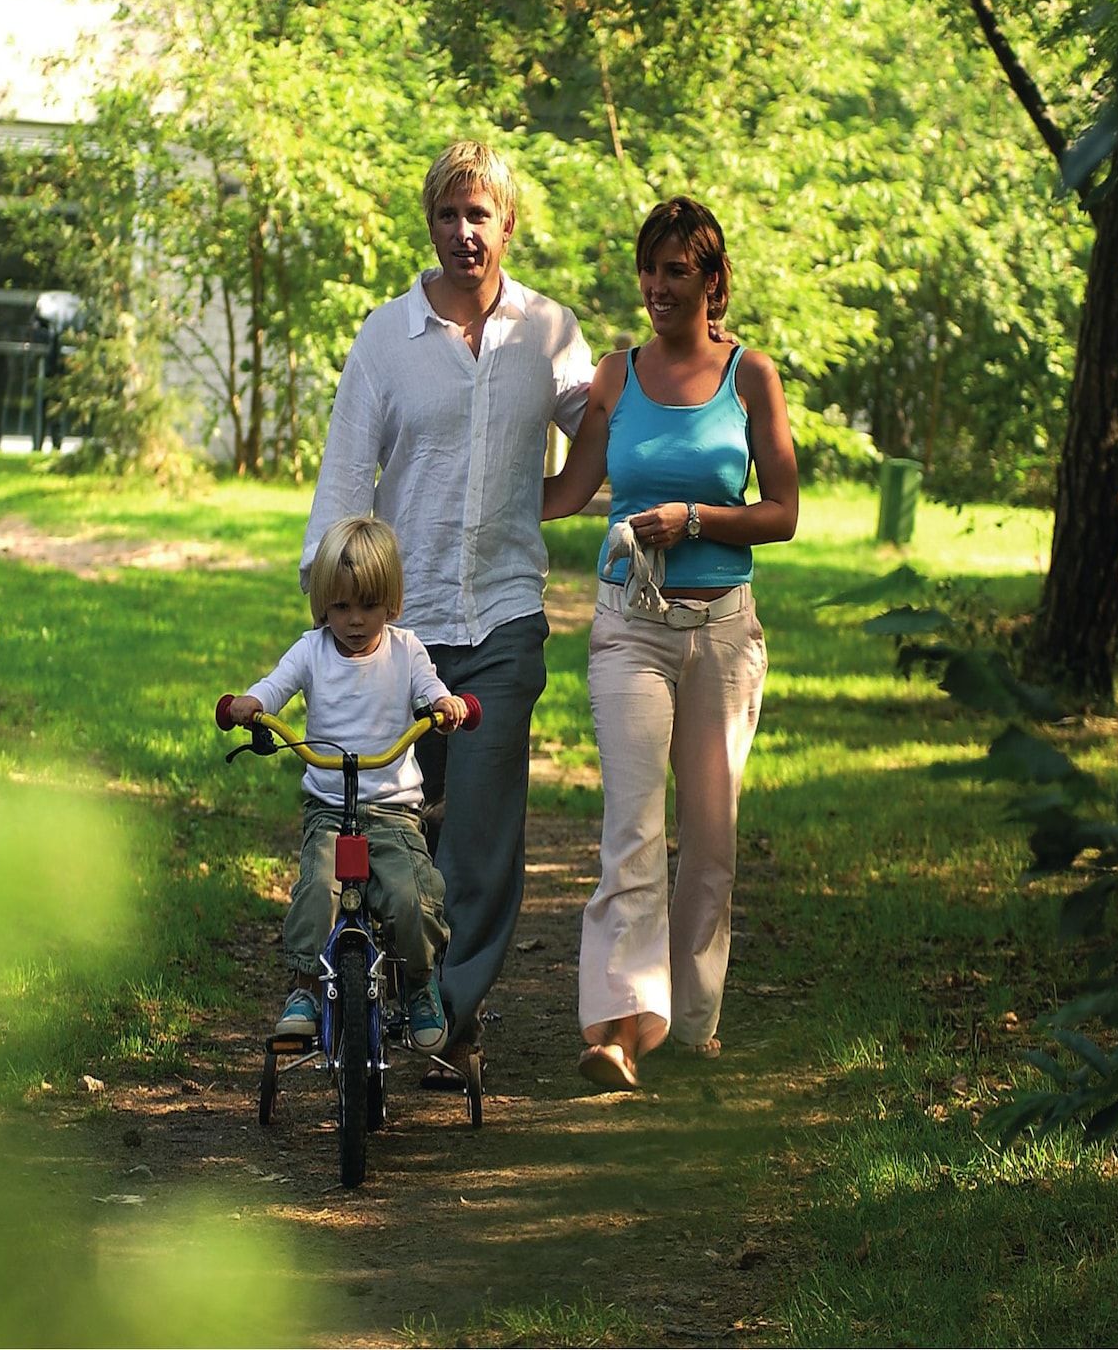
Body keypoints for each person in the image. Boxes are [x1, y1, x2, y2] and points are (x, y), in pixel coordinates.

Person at [302, 140, 594, 1055]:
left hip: (505, 619)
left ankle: (446, 1023)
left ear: (509, 224)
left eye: (481, 216)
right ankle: (374, 988)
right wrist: (329, 605)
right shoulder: (387, 337)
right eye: (448, 215)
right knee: (387, 827)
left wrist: (680, 390)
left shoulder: (550, 332)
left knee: (479, 838)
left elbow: (611, 436)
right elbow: (347, 474)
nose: (465, 233)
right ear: (429, 224)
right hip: (398, 625)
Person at [542, 196, 799, 1091]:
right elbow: (570, 491)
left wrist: (693, 518)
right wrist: (463, 484)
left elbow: (783, 514)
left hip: (724, 635)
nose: (656, 286)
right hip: (630, 632)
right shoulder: (615, 375)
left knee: (713, 839)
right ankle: (617, 1026)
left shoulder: (750, 377)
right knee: (631, 830)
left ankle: (691, 1019)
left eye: (675, 270)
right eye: (648, 269)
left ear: (712, 279)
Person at [224, 516, 469, 1053]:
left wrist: (444, 704)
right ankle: (306, 988)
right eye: (340, 608)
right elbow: (275, 684)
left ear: (392, 604)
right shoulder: (312, 651)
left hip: (393, 812)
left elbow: (431, 688)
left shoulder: (406, 651)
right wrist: (253, 705)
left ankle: (421, 984)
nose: (355, 621)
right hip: (329, 810)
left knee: (411, 896)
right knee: (317, 888)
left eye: (368, 606)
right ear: (322, 607)